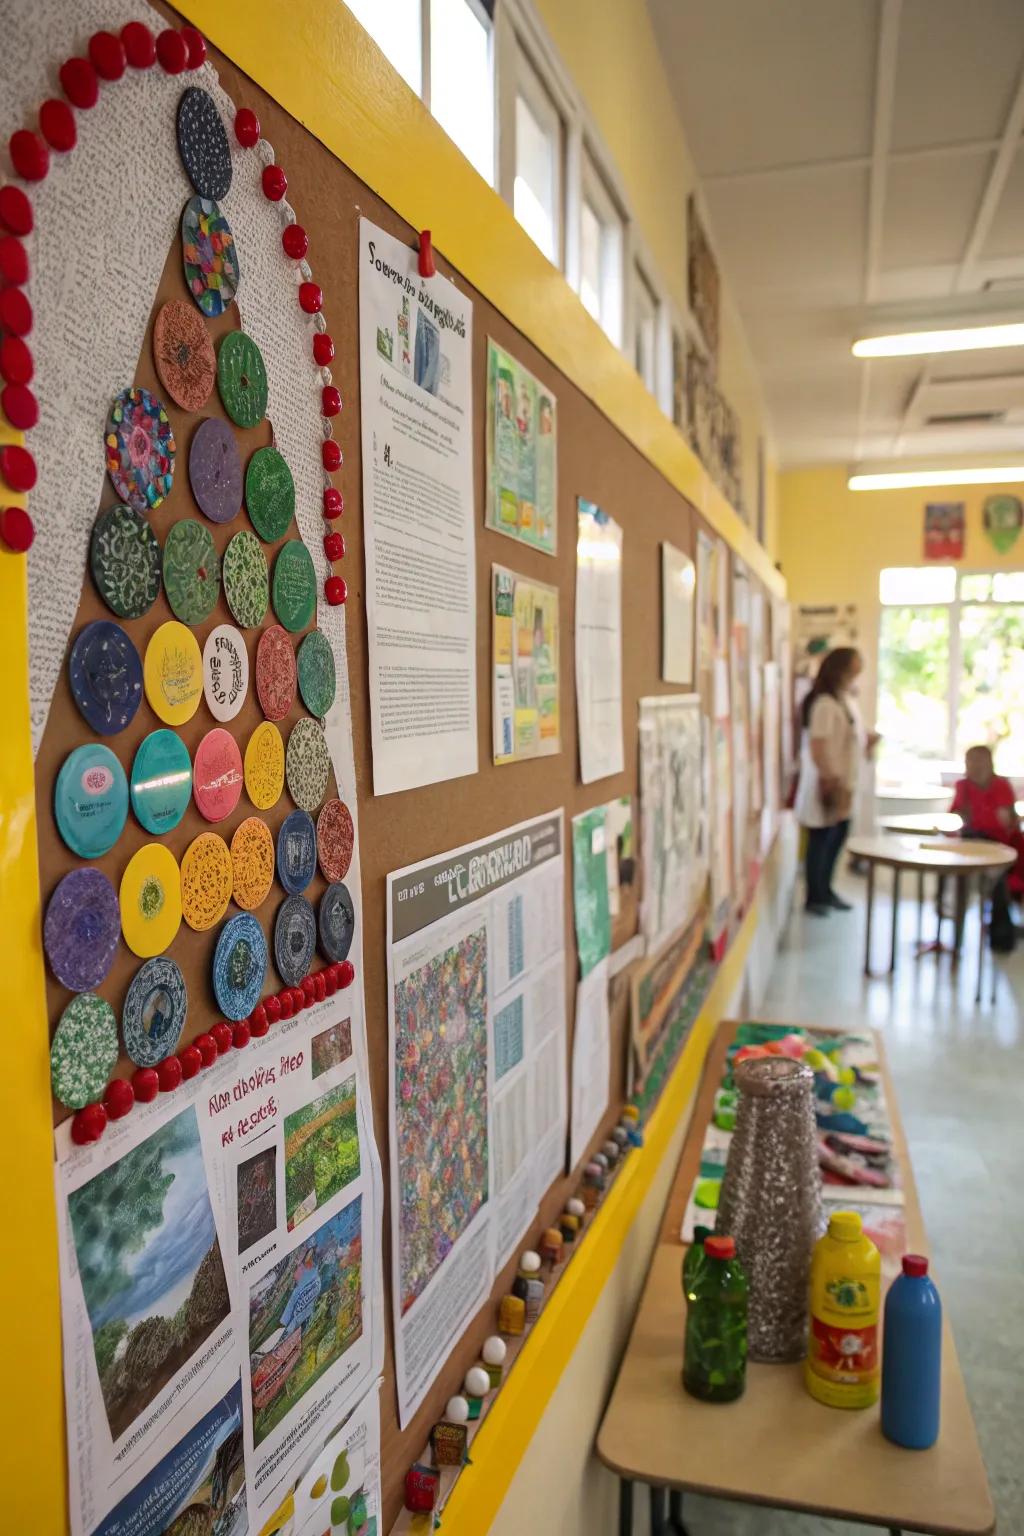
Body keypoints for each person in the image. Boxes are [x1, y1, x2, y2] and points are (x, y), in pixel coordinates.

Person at [794, 647, 878, 916]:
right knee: (822, 839)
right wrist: (830, 779)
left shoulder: (842, 700)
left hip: (845, 782)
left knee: (836, 837)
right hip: (829, 783)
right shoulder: (824, 704)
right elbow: (819, 746)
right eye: (852, 670)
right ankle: (815, 895)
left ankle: (826, 890)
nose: (854, 677)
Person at [951, 747, 1024, 948]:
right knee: (955, 880)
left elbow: (1009, 823)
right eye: (971, 761)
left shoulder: (1001, 785)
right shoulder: (962, 786)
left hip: (1001, 849)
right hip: (970, 848)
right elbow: (955, 817)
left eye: (980, 761)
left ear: (990, 763)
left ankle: (1001, 935)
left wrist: (1007, 819)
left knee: (997, 880)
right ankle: (955, 932)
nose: (975, 766)